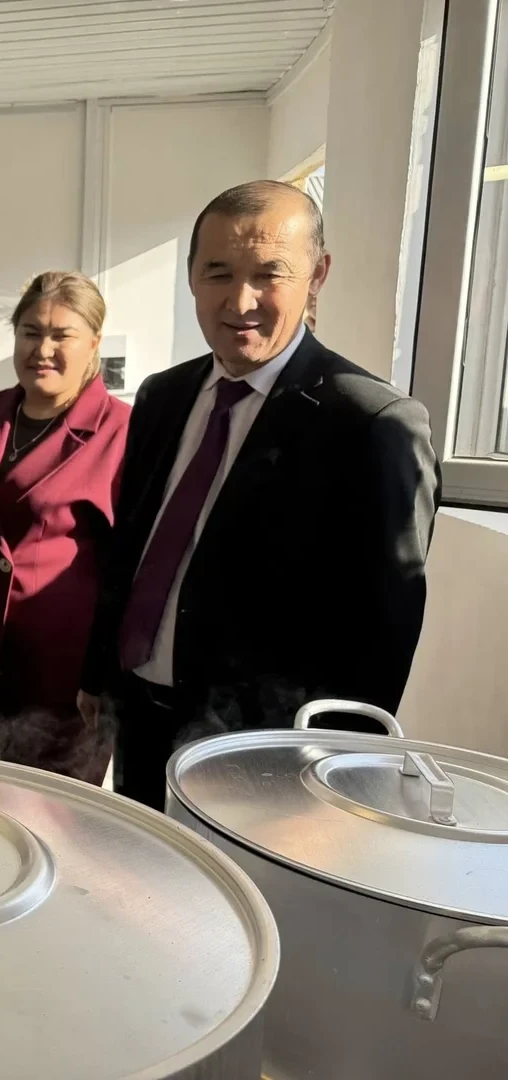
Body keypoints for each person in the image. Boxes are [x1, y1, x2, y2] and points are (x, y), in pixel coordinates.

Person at [78, 180, 441, 808]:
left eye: (270, 274)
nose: (240, 300)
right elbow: (131, 547)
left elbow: (383, 631)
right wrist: (96, 673)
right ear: (191, 276)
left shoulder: (371, 423)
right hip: (141, 718)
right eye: (218, 273)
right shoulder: (163, 398)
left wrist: (336, 776)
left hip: (266, 756)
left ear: (317, 276)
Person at [0, 272, 129, 785]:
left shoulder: (120, 430)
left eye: (62, 335)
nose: (43, 349)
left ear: (94, 343)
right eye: (30, 332)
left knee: (56, 814)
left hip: (66, 679)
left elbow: (131, 567)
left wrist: (105, 675)